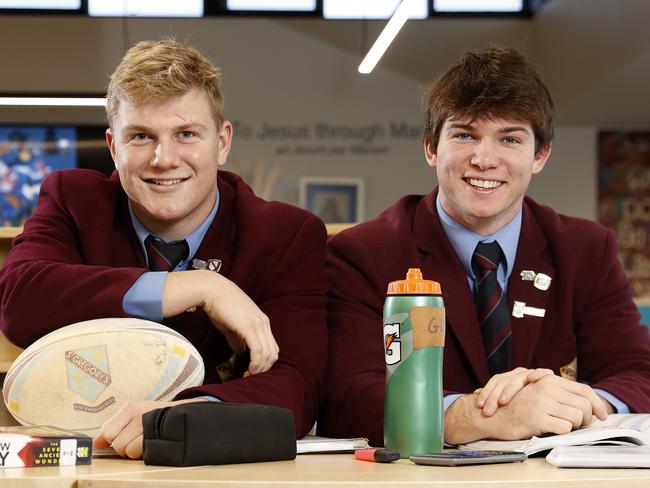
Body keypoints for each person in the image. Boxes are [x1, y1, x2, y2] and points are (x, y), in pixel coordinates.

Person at [0, 39, 328, 458]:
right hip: (92, 465)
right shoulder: (73, 199)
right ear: (113, 147)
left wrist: (179, 418)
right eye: (140, 136)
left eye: (186, 134)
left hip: (218, 470)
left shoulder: (286, 234)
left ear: (222, 142)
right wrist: (199, 286)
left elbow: (299, 384)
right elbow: (19, 302)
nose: (163, 159)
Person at [318, 46, 650, 447]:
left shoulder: (586, 248)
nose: (484, 159)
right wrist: (486, 415)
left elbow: (637, 373)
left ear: (540, 155)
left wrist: (573, 404)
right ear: (431, 148)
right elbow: (345, 398)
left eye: (510, 139)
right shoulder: (363, 252)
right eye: (464, 135)